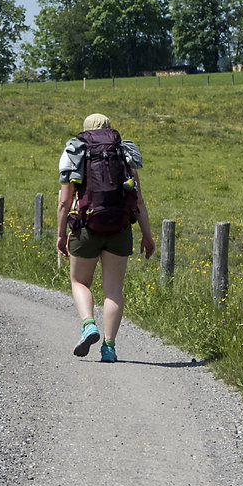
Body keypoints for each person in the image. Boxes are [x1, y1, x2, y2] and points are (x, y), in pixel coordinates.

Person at [56, 113, 154, 363]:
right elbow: (138, 200)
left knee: (80, 282)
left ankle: (88, 325)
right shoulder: (124, 152)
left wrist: (60, 234)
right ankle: (109, 348)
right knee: (113, 291)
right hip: (120, 228)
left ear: (85, 129)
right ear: (110, 128)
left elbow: (64, 202)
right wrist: (147, 235)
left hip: (86, 227)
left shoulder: (75, 150)